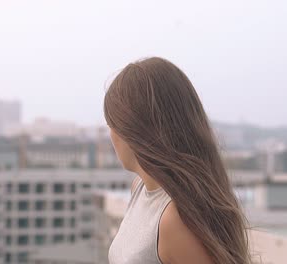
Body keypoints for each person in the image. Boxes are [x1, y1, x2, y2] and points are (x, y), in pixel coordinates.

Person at [105, 57, 251, 264]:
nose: (110, 135)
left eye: (111, 124)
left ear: (133, 130)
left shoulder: (174, 218)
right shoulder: (139, 189)